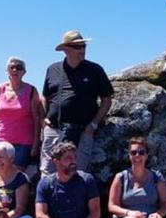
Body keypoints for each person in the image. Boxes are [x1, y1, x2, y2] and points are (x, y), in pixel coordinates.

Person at [41, 30, 113, 174]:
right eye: (77, 47)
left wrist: (93, 124)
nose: (82, 50)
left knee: (76, 174)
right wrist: (45, 119)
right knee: (48, 173)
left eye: (83, 46)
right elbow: (45, 96)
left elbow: (107, 99)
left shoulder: (95, 70)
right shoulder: (53, 69)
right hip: (55, 129)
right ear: (66, 49)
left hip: (82, 131)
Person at [0, 56, 43, 171]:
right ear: (7, 70)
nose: (15, 70)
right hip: (1, 139)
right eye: (12, 67)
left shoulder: (31, 91)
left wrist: (36, 143)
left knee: (16, 177)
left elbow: (36, 119)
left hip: (24, 143)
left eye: (19, 68)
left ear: (24, 72)